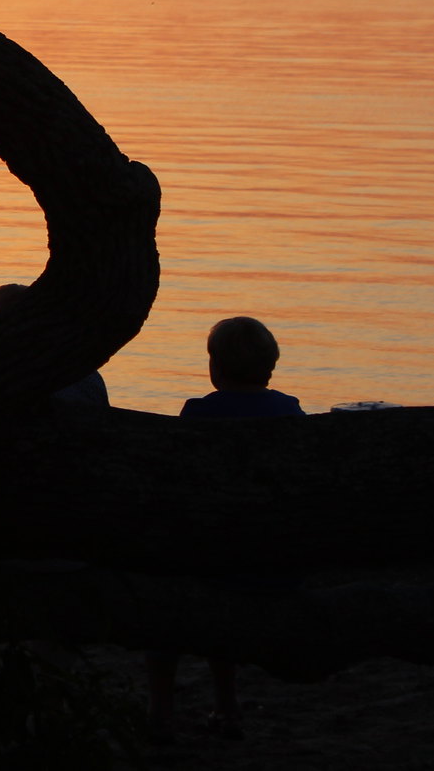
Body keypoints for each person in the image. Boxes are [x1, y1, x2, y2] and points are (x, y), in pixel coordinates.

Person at [146, 317, 304, 742]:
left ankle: (161, 708)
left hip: (212, 558)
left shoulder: (199, 412)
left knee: (164, 593)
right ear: (270, 366)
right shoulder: (289, 411)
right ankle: (227, 706)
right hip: (273, 558)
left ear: (215, 366)